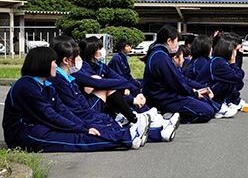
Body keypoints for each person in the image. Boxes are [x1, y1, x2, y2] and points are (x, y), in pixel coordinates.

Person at [2, 47, 149, 152]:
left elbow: (62, 111)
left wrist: (83, 126)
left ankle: (128, 135)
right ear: (42, 64)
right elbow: (49, 116)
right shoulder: (26, 86)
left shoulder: (47, 85)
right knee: (75, 139)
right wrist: (82, 128)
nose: (55, 65)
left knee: (84, 131)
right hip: (23, 133)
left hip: (40, 124)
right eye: (53, 62)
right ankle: (128, 137)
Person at [50, 36, 178, 142]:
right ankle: (140, 121)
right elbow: (98, 88)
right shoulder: (70, 75)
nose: (79, 60)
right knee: (114, 128)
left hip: (90, 112)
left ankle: (148, 121)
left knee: (119, 124)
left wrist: (134, 90)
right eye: (76, 56)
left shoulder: (93, 68)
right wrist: (129, 96)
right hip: (89, 113)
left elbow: (120, 78)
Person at [142, 25, 235, 123]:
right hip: (164, 99)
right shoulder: (160, 57)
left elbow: (180, 79)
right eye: (176, 41)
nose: (177, 45)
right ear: (169, 41)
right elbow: (176, 82)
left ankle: (218, 108)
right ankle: (167, 118)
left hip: (167, 96)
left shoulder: (161, 55)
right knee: (206, 112)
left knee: (204, 103)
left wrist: (198, 89)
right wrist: (193, 93)